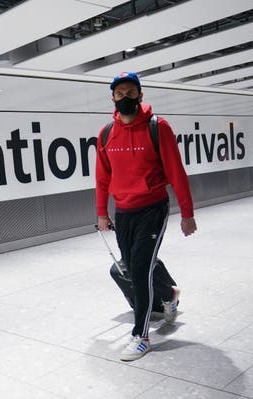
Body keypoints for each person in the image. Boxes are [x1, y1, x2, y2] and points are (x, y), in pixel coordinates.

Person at [95, 72, 197, 361]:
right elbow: (102, 177)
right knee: (133, 264)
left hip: (152, 208)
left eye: (131, 92)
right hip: (123, 211)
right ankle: (170, 294)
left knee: (139, 270)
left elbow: (177, 173)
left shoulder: (158, 127)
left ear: (140, 95)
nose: (125, 97)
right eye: (119, 93)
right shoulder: (105, 134)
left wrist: (187, 214)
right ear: (113, 98)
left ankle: (140, 336)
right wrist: (102, 213)